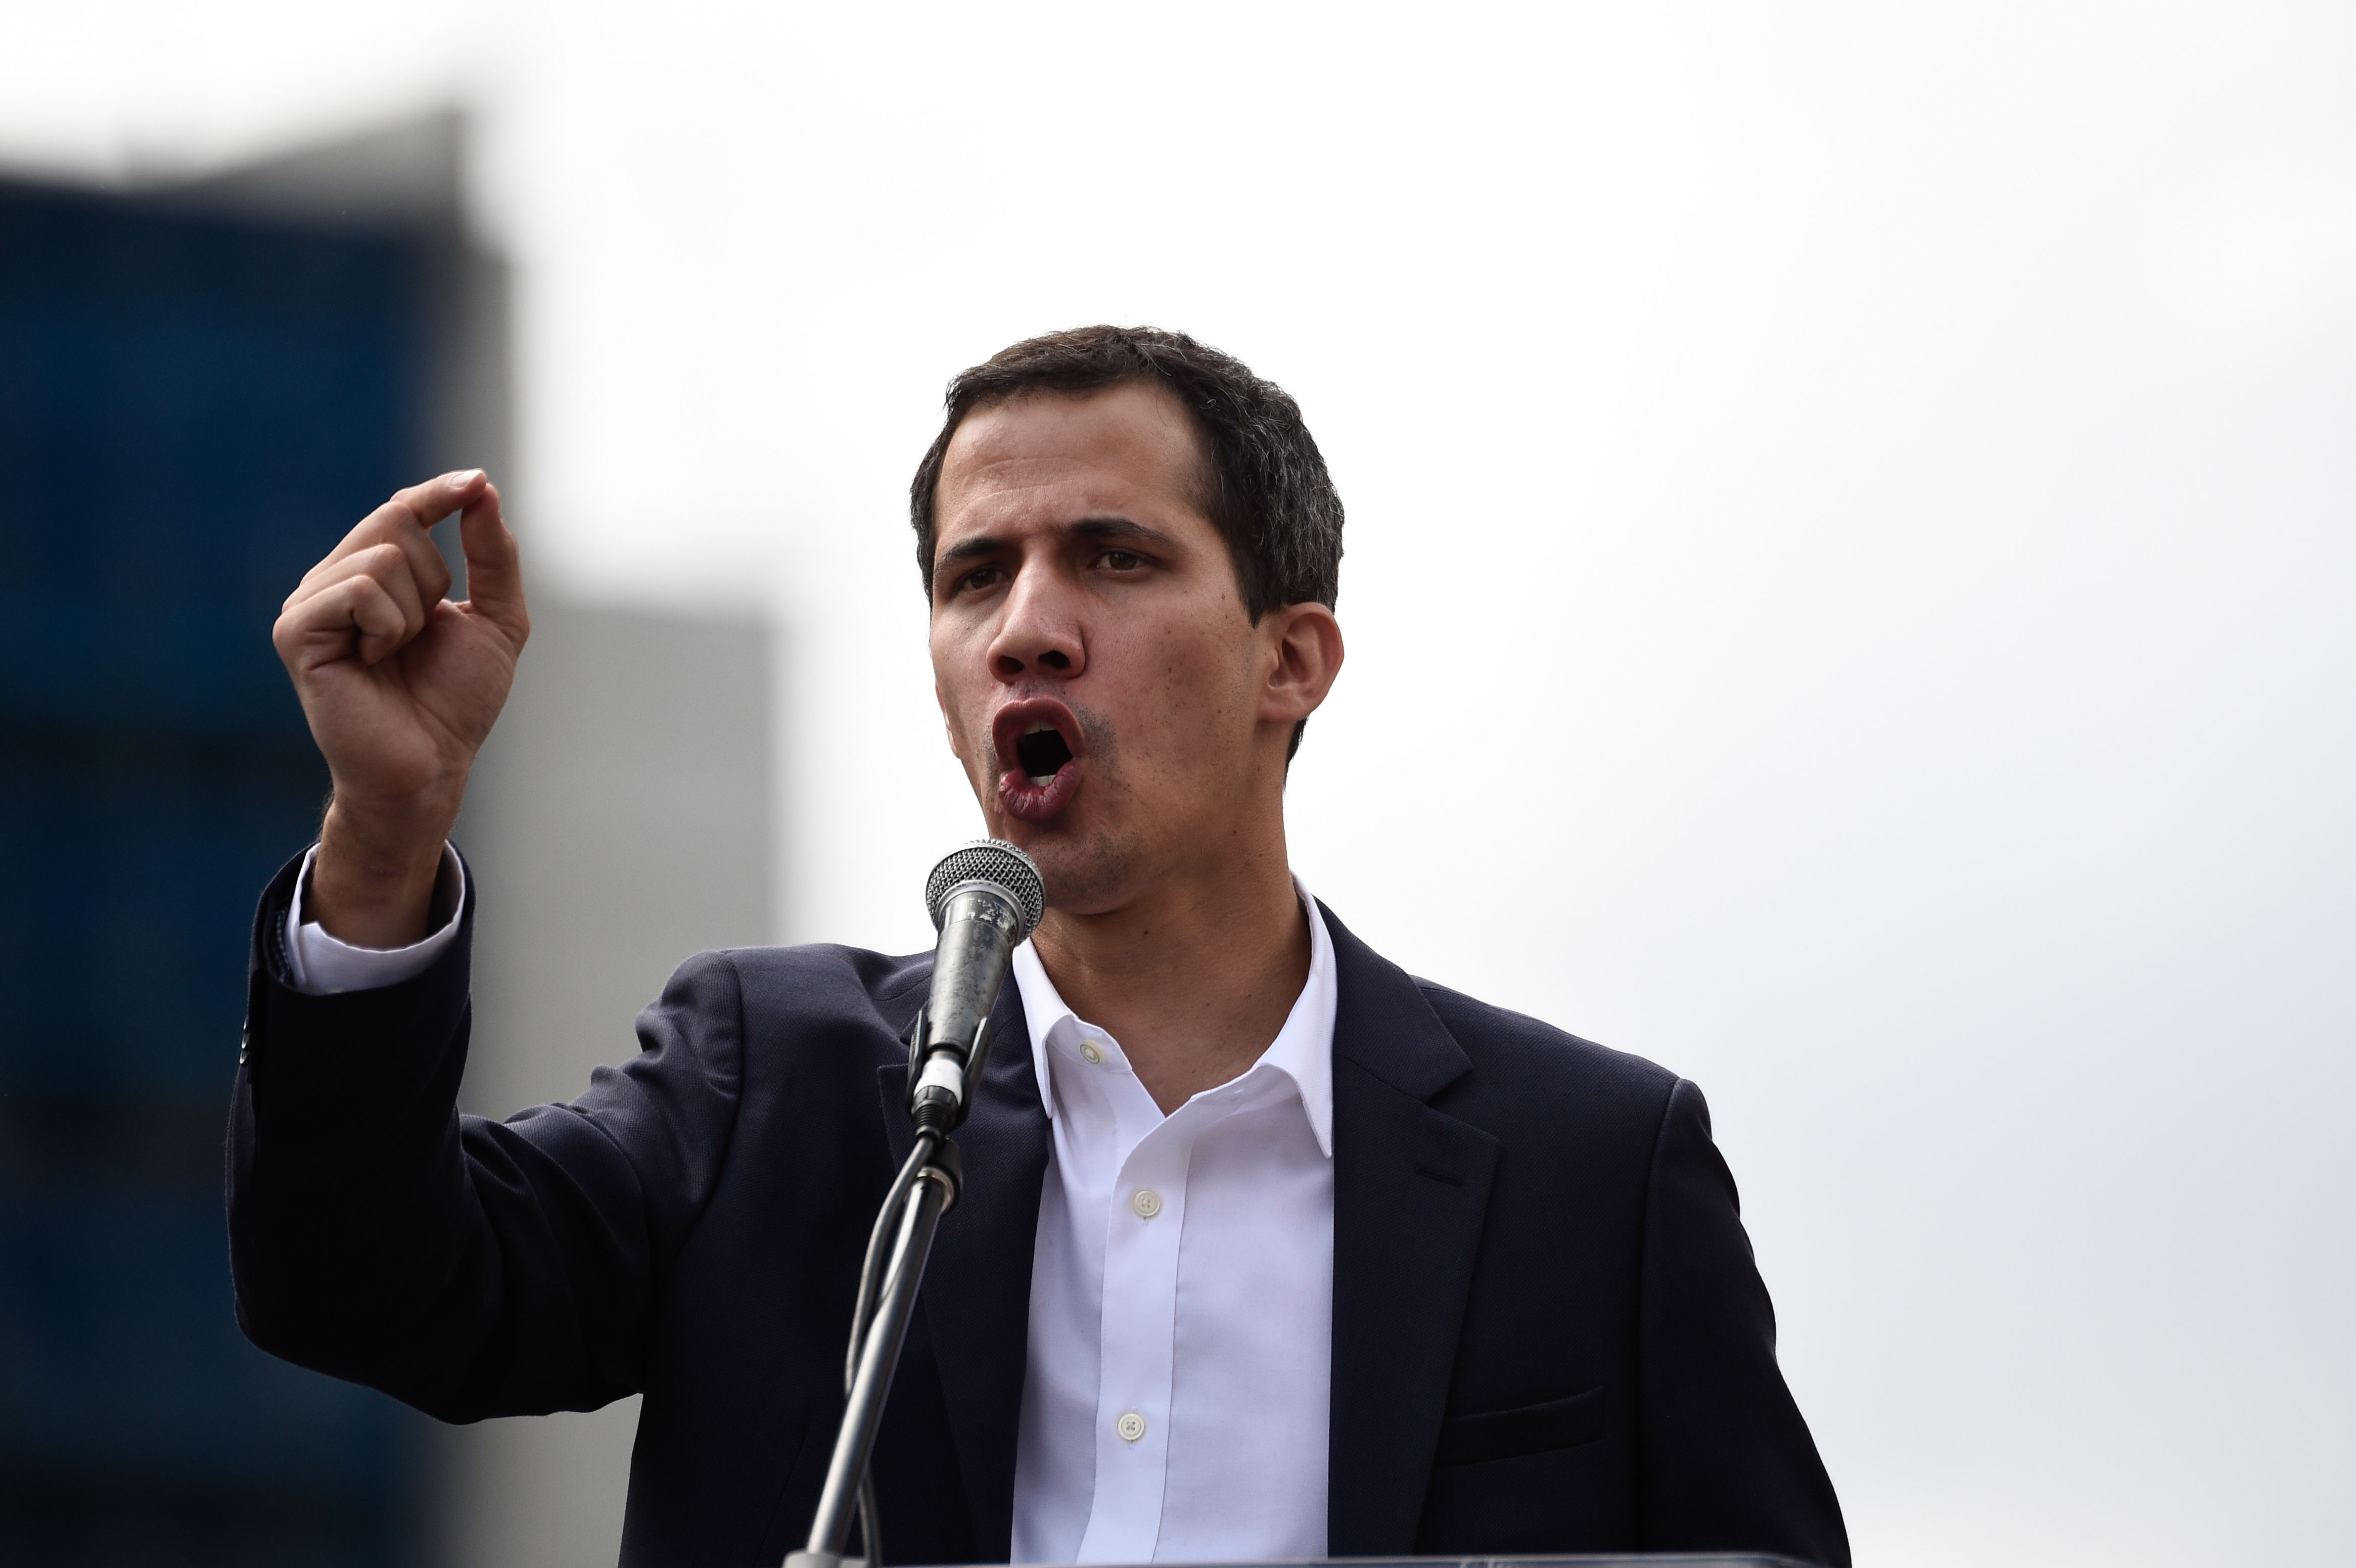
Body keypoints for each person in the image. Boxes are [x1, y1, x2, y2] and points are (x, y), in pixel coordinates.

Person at [232, 326, 1849, 1568]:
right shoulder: (773, 1083)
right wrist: (386, 829)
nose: (1027, 625)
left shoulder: (1594, 1169)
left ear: (1291, 658)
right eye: (975, 576)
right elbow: (361, 1285)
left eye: (1116, 557)